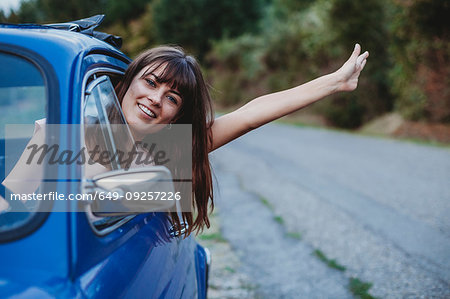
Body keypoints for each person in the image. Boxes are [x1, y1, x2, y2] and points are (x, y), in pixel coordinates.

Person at [1, 43, 369, 235]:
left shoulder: (168, 150)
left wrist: (335, 82)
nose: (155, 100)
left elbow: (249, 115)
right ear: (128, 81)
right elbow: (9, 201)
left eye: (172, 98)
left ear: (177, 114)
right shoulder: (57, 133)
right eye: (151, 82)